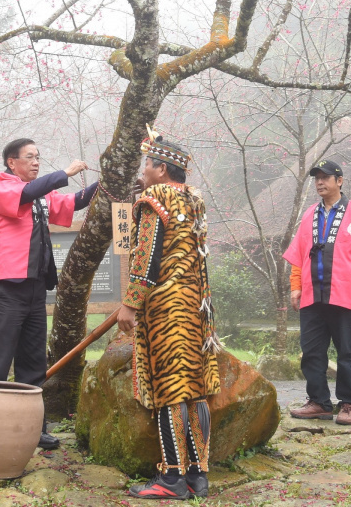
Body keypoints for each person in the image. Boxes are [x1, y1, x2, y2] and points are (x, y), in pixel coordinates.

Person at [0, 138, 97, 450]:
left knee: (33, 364)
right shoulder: (1, 185)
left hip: (34, 289)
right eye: (29, 157)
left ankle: (33, 428)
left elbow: (73, 203)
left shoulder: (43, 196)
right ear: (11, 161)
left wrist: (107, 181)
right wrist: (65, 172)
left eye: (38, 157)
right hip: (7, 286)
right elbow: (27, 193)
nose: (35, 162)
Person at [118, 127, 220, 501]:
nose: (143, 170)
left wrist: (130, 303)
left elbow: (145, 258)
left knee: (170, 388)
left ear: (161, 169)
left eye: (147, 163)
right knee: (195, 386)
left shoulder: (154, 197)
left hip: (167, 307)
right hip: (197, 305)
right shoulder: (194, 202)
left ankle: (172, 477)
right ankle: (199, 476)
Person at [282, 160, 351, 427]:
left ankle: (348, 403)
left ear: (340, 181)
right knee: (312, 352)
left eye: (326, 177)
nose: (320, 182)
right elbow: (298, 256)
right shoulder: (309, 215)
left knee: (346, 353)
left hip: (344, 295)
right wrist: (295, 288)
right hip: (312, 296)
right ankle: (318, 403)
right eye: (316, 178)